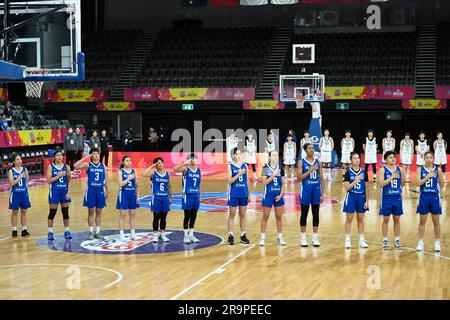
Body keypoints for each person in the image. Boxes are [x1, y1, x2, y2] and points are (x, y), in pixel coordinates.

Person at [74, 148, 109, 240]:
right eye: (94, 154)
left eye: (97, 154)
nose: (96, 155)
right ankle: (91, 232)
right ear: (91, 155)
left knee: (99, 212)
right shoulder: (88, 165)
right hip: (91, 191)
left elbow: (105, 179)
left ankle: (97, 232)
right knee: (91, 212)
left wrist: (107, 190)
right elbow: (75, 165)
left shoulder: (103, 166)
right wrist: (86, 157)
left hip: (100, 191)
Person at [414, 152, 444, 252]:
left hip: (434, 197)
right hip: (424, 197)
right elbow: (418, 184)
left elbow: (442, 185)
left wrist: (439, 178)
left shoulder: (438, 169)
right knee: (422, 221)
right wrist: (428, 176)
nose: (429, 159)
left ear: (433, 159)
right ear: (424, 159)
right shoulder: (420, 169)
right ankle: (420, 242)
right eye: (427, 157)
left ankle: (437, 243)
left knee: (436, 222)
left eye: (431, 157)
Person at [297, 143, 325, 247]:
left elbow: (322, 178)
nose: (312, 150)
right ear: (305, 150)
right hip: (306, 190)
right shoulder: (301, 162)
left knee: (316, 213)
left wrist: (323, 193)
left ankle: (315, 238)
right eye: (309, 148)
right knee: (304, 213)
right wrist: (310, 170)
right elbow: (299, 178)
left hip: (316, 190)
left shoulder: (318, 162)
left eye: (313, 148)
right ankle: (303, 238)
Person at [377, 151, 405, 250]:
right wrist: (392, 177)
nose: (393, 159)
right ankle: (385, 240)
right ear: (386, 159)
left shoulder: (400, 169)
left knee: (397, 219)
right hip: (386, 197)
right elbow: (380, 184)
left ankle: (397, 240)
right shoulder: (382, 170)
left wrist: (396, 189)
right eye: (390, 157)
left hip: (397, 197)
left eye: (394, 157)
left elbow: (402, 183)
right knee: (386, 219)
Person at [259, 150, 286, 246]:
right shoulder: (265, 168)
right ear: (269, 157)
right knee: (265, 217)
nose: (275, 157)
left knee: (279, 217)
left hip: (278, 196)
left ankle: (280, 237)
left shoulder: (281, 168)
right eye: (273, 155)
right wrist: (274, 175)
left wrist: (280, 195)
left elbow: (283, 184)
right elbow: (264, 182)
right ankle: (262, 238)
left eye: (276, 155)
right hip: (268, 195)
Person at [343, 152, 369, 249]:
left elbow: (367, 187)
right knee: (349, 219)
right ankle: (347, 240)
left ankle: (361, 240)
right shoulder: (348, 173)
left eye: (358, 158)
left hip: (361, 197)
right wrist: (356, 180)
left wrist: (367, 200)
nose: (357, 160)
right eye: (355, 158)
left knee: (361, 220)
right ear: (351, 161)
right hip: (351, 197)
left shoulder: (364, 172)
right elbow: (347, 188)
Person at [173, 153, 202, 244]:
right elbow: (174, 169)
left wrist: (200, 195)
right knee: (187, 215)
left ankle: (191, 234)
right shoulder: (186, 169)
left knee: (194, 215)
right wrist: (184, 163)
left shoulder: (198, 170)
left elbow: (199, 184)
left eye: (195, 158)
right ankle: (185, 235)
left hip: (195, 195)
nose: (194, 160)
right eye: (191, 159)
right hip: (187, 195)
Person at [143, 157, 172, 243]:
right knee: (156, 217)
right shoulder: (153, 174)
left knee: (164, 217)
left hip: (165, 198)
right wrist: (152, 166)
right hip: (156, 198)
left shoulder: (167, 174)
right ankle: (155, 235)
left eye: (162, 162)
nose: (161, 164)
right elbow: (144, 174)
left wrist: (171, 197)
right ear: (156, 165)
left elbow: (169, 186)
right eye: (159, 163)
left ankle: (162, 234)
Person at [46, 147, 72, 241]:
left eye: (61, 155)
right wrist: (59, 176)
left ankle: (67, 230)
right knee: (52, 212)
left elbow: (69, 180)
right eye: (57, 155)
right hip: (55, 192)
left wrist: (69, 191)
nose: (59, 157)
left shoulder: (67, 167)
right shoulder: (50, 167)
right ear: (54, 157)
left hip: (64, 192)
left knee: (65, 212)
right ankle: (50, 232)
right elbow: (49, 181)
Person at [226, 148, 250, 245]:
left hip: (243, 193)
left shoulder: (245, 166)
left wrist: (249, 194)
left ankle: (243, 235)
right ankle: (230, 235)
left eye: (239, 154)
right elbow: (229, 181)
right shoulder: (230, 166)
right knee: (232, 214)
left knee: (242, 215)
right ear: (233, 156)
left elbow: (247, 181)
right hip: (234, 194)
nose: (238, 156)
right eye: (236, 154)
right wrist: (239, 173)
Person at [116, 155, 139, 241]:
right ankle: (121, 234)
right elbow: (120, 184)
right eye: (126, 160)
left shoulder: (134, 171)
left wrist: (138, 196)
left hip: (132, 194)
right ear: (123, 162)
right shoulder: (120, 171)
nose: (128, 162)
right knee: (123, 214)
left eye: (130, 160)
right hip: (124, 193)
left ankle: (132, 233)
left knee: (133, 214)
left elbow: (136, 185)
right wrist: (128, 178)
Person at [8, 153, 31, 237]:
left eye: (20, 159)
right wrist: (19, 177)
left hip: (24, 193)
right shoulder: (11, 171)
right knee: (15, 212)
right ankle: (14, 230)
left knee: (24, 212)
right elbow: (12, 183)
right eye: (17, 159)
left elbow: (27, 181)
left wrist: (24, 177)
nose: (19, 161)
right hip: (15, 194)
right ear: (14, 161)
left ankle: (24, 229)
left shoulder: (25, 170)